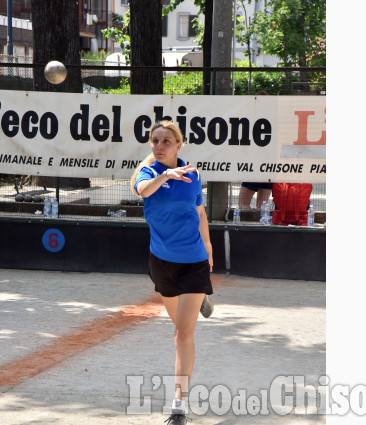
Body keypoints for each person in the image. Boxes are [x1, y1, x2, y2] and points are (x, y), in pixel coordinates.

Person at [131, 120, 214, 425]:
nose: (160, 146)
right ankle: (200, 301)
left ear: (179, 145)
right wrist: (165, 173)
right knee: (179, 324)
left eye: (166, 141)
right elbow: (143, 191)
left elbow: (200, 212)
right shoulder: (148, 173)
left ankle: (178, 406)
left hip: (193, 261)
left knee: (182, 335)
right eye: (155, 141)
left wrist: (207, 245)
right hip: (162, 263)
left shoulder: (192, 175)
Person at [239, 89, 272, 210]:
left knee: (243, 204)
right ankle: (261, 226)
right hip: (269, 165)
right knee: (262, 207)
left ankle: (245, 226)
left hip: (254, 165)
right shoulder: (273, 118)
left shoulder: (250, 119)